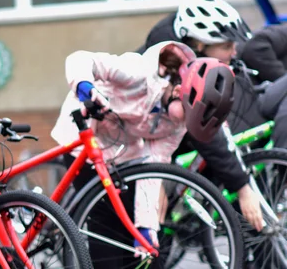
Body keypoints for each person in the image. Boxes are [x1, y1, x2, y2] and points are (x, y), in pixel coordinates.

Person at [51, 42, 236, 267]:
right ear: (179, 91)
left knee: (130, 225)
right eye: (186, 114)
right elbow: (80, 58)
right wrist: (85, 87)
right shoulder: (138, 72)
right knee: (106, 219)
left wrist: (146, 227)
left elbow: (154, 167)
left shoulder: (179, 122)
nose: (182, 123)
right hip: (84, 136)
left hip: (122, 149)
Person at [136, 0, 265, 232]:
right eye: (227, 46)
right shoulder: (166, 70)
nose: (234, 53)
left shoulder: (196, 61)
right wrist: (243, 188)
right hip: (122, 145)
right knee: (149, 229)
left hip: (155, 144)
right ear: (199, 46)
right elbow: (207, 131)